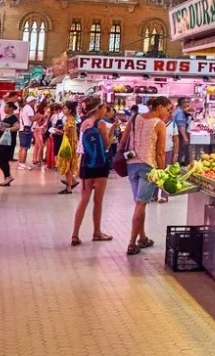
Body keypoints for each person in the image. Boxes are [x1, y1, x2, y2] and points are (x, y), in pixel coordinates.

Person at [120, 95, 172, 255]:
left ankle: (142, 237)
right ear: (159, 107)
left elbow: (123, 141)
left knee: (139, 203)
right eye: (168, 109)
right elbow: (161, 153)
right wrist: (162, 173)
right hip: (148, 167)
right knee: (141, 204)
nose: (169, 113)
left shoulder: (135, 118)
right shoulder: (159, 124)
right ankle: (131, 242)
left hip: (132, 165)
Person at [70, 96, 113, 246]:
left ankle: (75, 234)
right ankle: (97, 232)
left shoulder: (84, 124)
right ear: (98, 109)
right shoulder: (100, 123)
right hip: (100, 166)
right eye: (104, 108)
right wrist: (111, 132)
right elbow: (106, 146)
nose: (105, 111)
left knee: (84, 199)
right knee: (98, 201)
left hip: (86, 164)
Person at [56, 101, 80, 193]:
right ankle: (72, 181)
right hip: (70, 144)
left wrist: (59, 132)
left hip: (69, 145)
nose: (63, 109)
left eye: (65, 108)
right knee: (68, 165)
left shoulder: (69, 120)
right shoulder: (70, 119)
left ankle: (69, 187)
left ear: (70, 110)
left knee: (67, 165)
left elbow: (69, 133)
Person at [0, 101, 19, 186]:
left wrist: (7, 129)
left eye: (6, 107)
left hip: (7, 143)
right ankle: (7, 178)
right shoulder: (6, 117)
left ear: (11, 108)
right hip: (3, 141)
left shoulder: (13, 118)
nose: (5, 109)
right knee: (4, 160)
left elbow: (17, 127)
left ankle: (8, 177)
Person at [158, 108, 179, 203]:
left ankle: (164, 195)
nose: (170, 114)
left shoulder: (173, 125)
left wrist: (176, 154)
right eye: (168, 112)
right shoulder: (157, 123)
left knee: (166, 174)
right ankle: (153, 195)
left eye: (171, 113)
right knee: (155, 173)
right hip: (157, 152)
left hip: (168, 152)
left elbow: (176, 140)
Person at [17, 96, 35, 169]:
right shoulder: (29, 108)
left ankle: (21, 162)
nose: (35, 103)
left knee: (22, 147)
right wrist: (40, 117)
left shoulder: (23, 108)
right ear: (31, 101)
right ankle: (22, 163)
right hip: (27, 129)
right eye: (34, 101)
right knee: (25, 147)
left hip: (22, 129)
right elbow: (32, 119)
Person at [45, 103, 64, 169]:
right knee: (58, 150)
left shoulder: (53, 116)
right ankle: (58, 165)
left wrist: (53, 131)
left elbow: (50, 126)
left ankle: (56, 164)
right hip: (59, 135)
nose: (54, 112)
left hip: (55, 135)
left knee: (55, 150)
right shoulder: (63, 116)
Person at [173, 98, 190, 165]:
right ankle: (178, 166)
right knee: (180, 151)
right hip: (180, 134)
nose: (187, 104)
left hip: (177, 133)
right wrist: (185, 137)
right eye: (185, 102)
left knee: (180, 151)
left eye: (188, 102)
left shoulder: (178, 111)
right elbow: (181, 125)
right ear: (181, 104)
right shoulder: (180, 112)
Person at [32, 101, 48, 166]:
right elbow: (39, 123)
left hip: (38, 130)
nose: (47, 109)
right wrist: (44, 118)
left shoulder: (40, 113)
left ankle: (34, 159)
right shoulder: (40, 114)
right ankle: (38, 160)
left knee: (37, 146)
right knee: (41, 145)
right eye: (46, 107)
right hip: (37, 130)